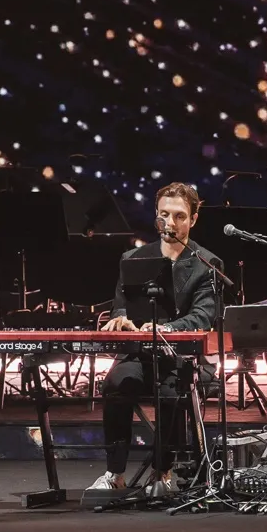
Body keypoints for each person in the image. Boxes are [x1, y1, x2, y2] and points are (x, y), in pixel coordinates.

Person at [88, 182, 223, 496]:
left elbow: (203, 315)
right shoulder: (134, 257)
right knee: (116, 384)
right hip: (138, 354)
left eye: (179, 216)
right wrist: (119, 318)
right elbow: (120, 302)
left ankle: (163, 473)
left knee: (173, 391)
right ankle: (114, 473)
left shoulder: (207, 264)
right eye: (164, 215)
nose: (170, 223)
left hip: (184, 358)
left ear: (193, 219)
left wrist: (165, 329)